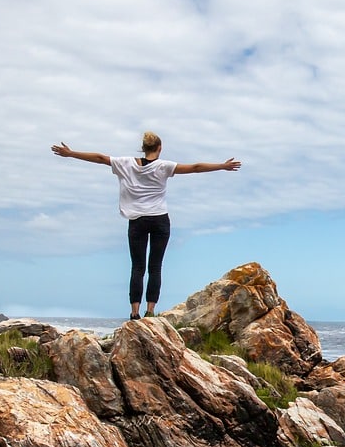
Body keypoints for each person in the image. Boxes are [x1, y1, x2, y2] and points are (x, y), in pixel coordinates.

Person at [51, 132, 241, 320]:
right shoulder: (164, 166)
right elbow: (196, 167)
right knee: (155, 267)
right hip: (160, 220)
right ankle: (150, 312)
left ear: (143, 148)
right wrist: (222, 166)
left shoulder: (126, 163)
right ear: (159, 148)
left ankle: (135, 313)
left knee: (137, 268)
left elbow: (100, 158)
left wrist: (71, 153)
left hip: (137, 221)